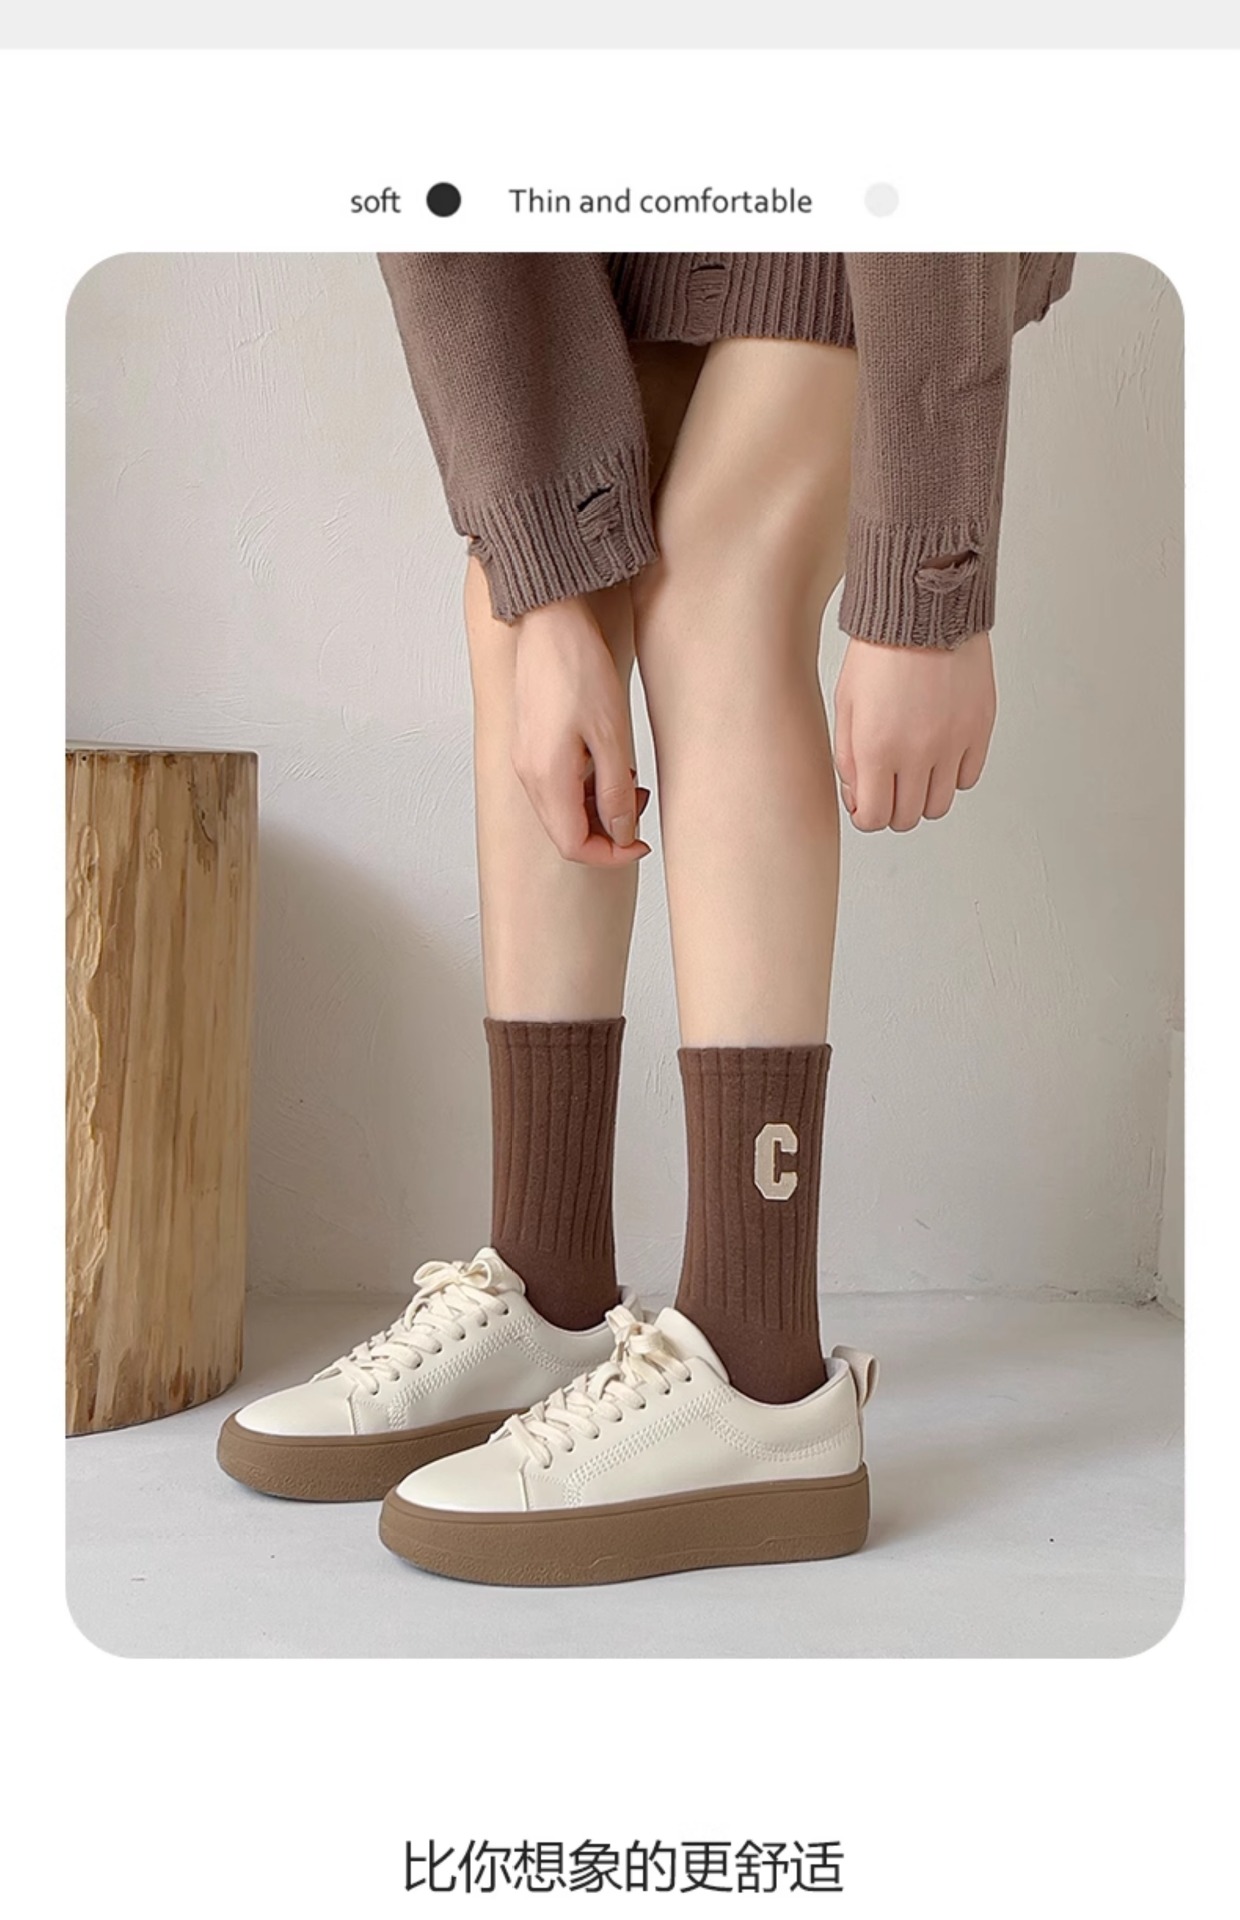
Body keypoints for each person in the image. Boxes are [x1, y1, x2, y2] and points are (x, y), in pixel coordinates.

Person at [218, 251, 1073, 1587]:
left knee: (719, 584)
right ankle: (549, 1287)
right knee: (519, 604)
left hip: (887, 221)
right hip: (630, 215)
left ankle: (759, 1367)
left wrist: (931, 587)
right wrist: (546, 593)